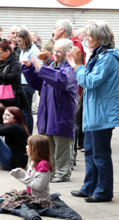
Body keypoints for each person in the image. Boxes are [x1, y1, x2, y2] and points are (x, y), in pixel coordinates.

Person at [67, 20, 119, 203]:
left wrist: (78, 66)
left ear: (101, 38)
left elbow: (90, 82)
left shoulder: (108, 58)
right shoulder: (99, 55)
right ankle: (90, 186)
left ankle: (104, 191)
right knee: (89, 150)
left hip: (101, 114)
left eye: (90, 35)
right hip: (93, 113)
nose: (87, 39)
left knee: (100, 153)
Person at [21, 38, 78, 183]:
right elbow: (37, 83)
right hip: (48, 112)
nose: (56, 54)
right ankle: (53, 170)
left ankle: (63, 173)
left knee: (62, 145)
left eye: (59, 52)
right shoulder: (52, 65)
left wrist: (41, 68)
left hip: (61, 112)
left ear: (67, 53)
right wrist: (29, 68)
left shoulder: (70, 68)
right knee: (50, 144)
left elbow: (61, 81)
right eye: (55, 51)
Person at [7, 135, 53, 208]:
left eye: (28, 145)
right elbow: (31, 178)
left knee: (12, 204)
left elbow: (38, 186)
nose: (26, 147)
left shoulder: (43, 164)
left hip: (39, 200)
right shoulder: (34, 160)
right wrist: (24, 173)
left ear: (36, 149)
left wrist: (22, 175)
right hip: (31, 195)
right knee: (8, 196)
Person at [0, 39, 28, 110]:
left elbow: (14, 77)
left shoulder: (15, 62)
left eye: (0, 53)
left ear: (7, 51)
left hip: (12, 93)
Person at [17, 29, 42, 134]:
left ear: (26, 40)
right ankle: (24, 133)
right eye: (17, 41)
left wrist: (25, 65)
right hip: (22, 81)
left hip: (28, 82)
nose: (18, 44)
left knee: (27, 111)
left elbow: (38, 67)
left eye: (20, 41)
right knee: (22, 110)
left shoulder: (34, 51)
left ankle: (28, 134)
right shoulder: (24, 50)